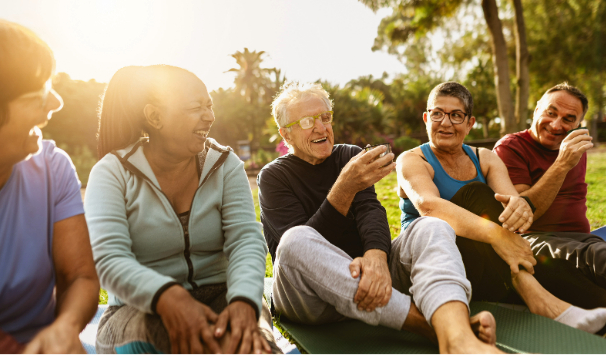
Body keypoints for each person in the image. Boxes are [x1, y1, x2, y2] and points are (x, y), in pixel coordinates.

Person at [259, 81, 502, 354]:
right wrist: (344, 188)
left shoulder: (349, 155)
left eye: (324, 117)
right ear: (286, 134)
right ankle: (432, 327)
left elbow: (370, 210)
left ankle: (457, 332)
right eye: (306, 121)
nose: (320, 128)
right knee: (294, 240)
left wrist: (376, 256)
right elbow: (302, 255)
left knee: (431, 226)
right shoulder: (273, 177)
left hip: (373, 281)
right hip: (310, 301)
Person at [84, 65, 277, 354]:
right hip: (138, 309)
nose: (209, 116)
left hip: (223, 296)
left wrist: (244, 300)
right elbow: (108, 259)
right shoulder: (112, 172)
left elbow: (246, 239)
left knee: (252, 345)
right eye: (196, 107)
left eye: (209, 106)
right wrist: (168, 297)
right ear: (155, 117)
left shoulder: (225, 164)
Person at [396, 81, 606, 334]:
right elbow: (429, 207)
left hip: (482, 266)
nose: (445, 123)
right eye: (437, 113)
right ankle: (540, 301)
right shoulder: (412, 159)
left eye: (456, 115)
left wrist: (517, 212)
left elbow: (514, 210)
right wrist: (498, 236)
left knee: (587, 289)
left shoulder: (485, 158)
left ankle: (577, 306)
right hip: (430, 265)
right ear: (426, 118)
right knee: (477, 194)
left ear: (469, 123)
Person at [0, 15, 99, 353]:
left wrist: (65, 327)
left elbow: (80, 277)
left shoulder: (52, 168)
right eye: (39, 94)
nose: (56, 103)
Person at [493, 83, 606, 290]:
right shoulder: (510, 147)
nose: (555, 125)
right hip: (533, 241)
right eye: (550, 113)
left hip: (585, 240)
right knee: (598, 258)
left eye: (568, 119)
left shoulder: (575, 148)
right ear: (536, 110)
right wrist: (562, 164)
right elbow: (522, 218)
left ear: (578, 125)